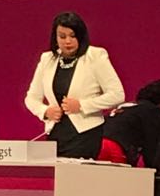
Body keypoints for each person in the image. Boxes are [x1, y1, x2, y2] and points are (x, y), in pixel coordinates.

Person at [24, 12, 125, 159]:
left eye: (73, 36)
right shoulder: (47, 59)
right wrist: (45, 111)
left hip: (85, 132)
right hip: (55, 131)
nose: (68, 41)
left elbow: (117, 94)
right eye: (62, 36)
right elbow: (31, 98)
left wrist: (82, 105)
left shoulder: (95, 56)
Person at [98, 79, 160, 167]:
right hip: (113, 150)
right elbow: (151, 145)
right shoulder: (153, 111)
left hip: (96, 145)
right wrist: (152, 170)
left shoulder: (127, 106)